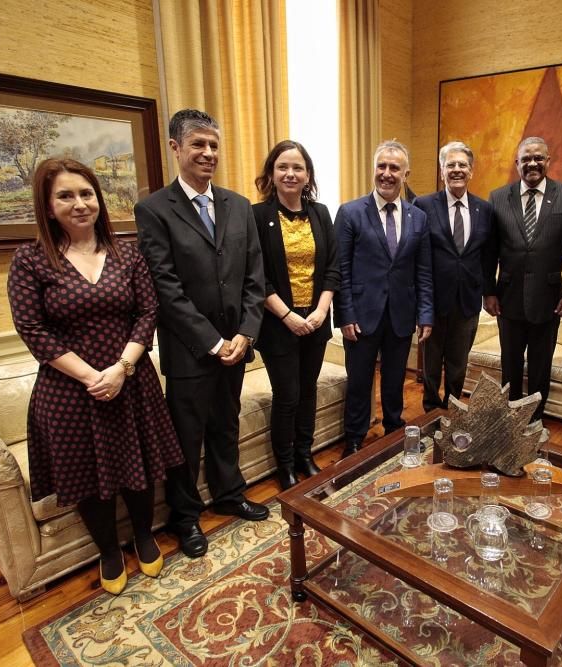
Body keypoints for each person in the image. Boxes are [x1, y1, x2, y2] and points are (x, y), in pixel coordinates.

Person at [8, 158, 183, 595]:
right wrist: (92, 377)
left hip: (131, 379)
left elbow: (148, 311)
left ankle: (143, 536)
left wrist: (121, 368)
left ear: (99, 201)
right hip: (70, 391)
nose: (80, 203)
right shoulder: (30, 260)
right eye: (66, 196)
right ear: (48, 207)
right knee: (89, 477)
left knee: (139, 463)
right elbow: (32, 330)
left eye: (87, 194)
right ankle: (107, 549)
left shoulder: (127, 253)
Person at [135, 109, 268, 559]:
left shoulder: (238, 206)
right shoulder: (154, 210)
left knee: (225, 426)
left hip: (237, 346)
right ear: (176, 148)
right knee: (186, 439)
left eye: (214, 144)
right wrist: (213, 341)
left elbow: (254, 276)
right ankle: (185, 517)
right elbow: (165, 288)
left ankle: (230, 493)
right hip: (192, 352)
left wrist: (246, 334)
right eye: (198, 144)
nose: (208, 153)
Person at [334, 140, 434, 457]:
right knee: (360, 379)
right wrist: (345, 315)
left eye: (394, 168)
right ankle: (354, 437)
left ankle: (394, 430)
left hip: (401, 313)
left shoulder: (418, 217)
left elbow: (424, 271)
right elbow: (342, 269)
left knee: (394, 379)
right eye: (382, 166)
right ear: (373, 169)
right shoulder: (350, 213)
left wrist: (426, 314)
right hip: (362, 315)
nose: (387, 174)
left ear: (406, 173)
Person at [252, 141, 339, 490]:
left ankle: (305, 453)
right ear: (272, 173)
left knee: (308, 392)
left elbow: (333, 266)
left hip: (316, 321)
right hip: (278, 325)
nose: (290, 174)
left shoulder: (321, 213)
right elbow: (256, 275)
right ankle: (285, 465)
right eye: (283, 167)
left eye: (297, 168)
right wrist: (287, 315)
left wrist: (320, 310)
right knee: (287, 395)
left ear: (308, 175)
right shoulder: (258, 216)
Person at [484, 136, 562, 422]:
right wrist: (488, 291)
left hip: (549, 298)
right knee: (510, 366)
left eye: (538, 158)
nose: (532, 164)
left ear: (548, 161)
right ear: (517, 163)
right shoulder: (498, 197)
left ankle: (534, 421)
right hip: (508, 298)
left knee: (541, 367)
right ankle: (509, 420)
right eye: (526, 159)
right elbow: (490, 250)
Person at [414, 141, 493, 412]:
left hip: (467, 301)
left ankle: (454, 409)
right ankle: (431, 411)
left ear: (471, 171)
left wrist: (488, 292)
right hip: (433, 302)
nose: (457, 169)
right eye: (451, 165)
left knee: (459, 364)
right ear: (441, 170)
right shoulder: (423, 205)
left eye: (462, 165)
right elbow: (416, 255)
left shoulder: (484, 209)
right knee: (431, 365)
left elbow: (487, 255)